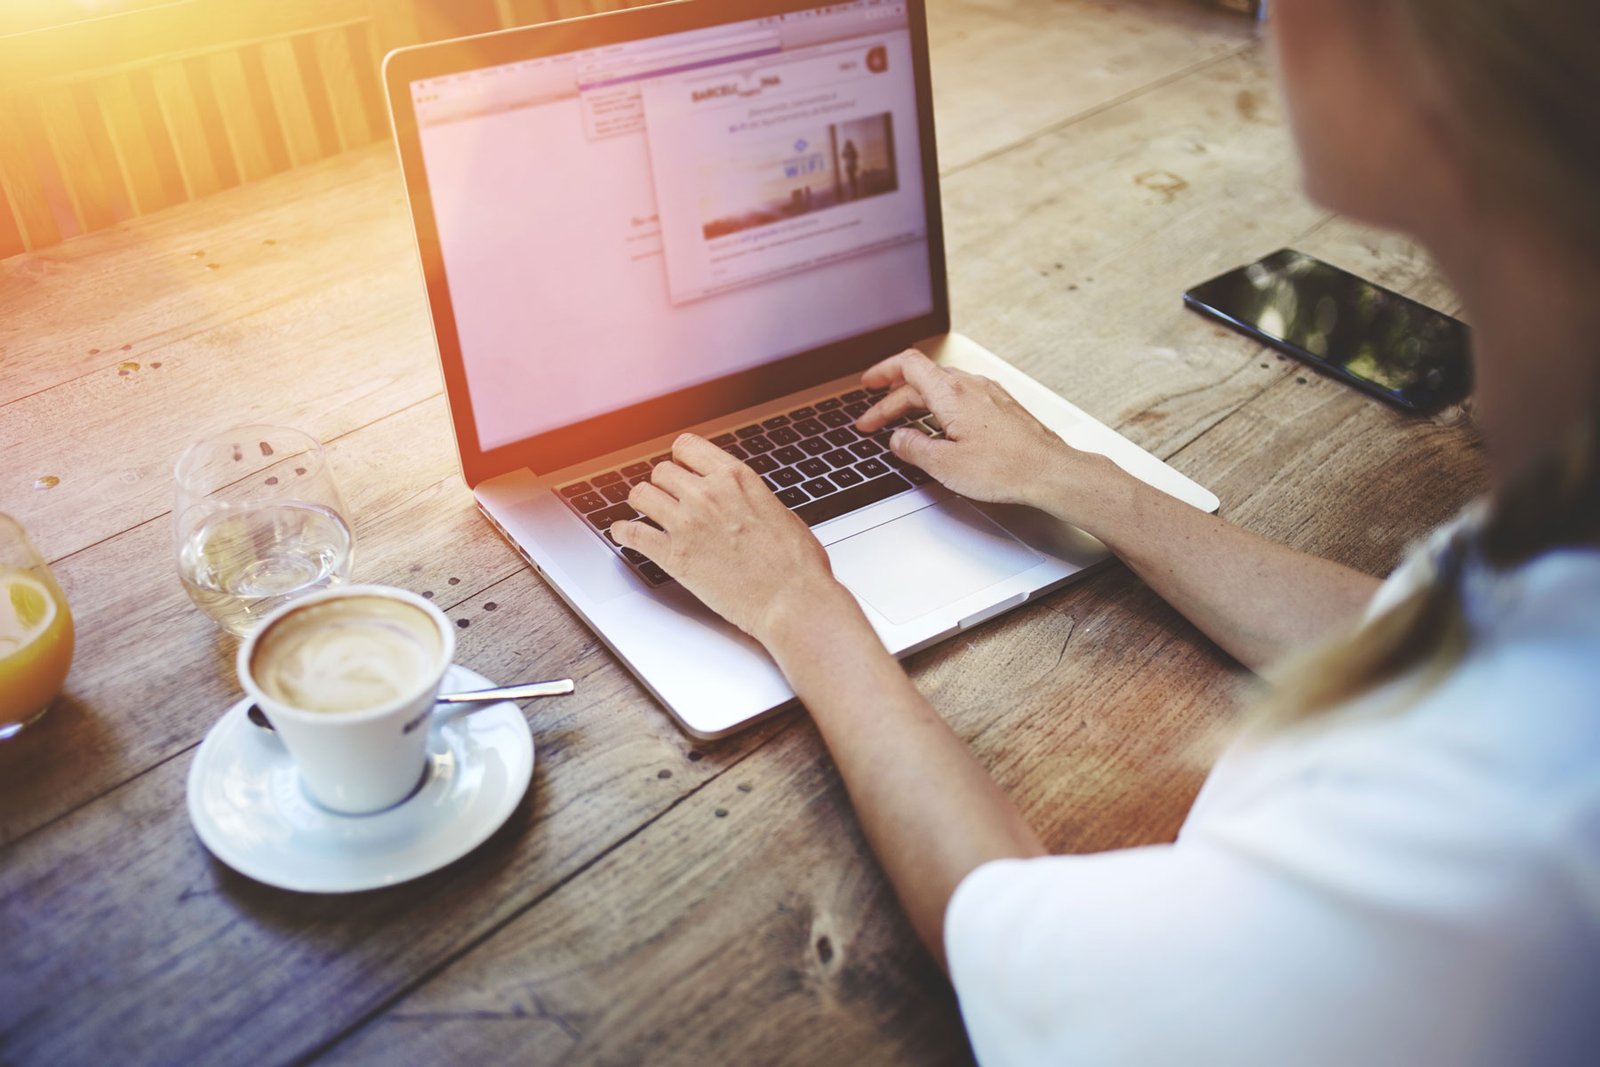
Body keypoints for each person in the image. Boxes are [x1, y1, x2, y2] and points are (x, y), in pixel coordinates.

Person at [612, 0, 1600, 1061]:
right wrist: (1077, 480)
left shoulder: (1503, 840)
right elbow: (1413, 636)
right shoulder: (1559, 535)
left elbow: (1014, 935)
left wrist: (796, 605)